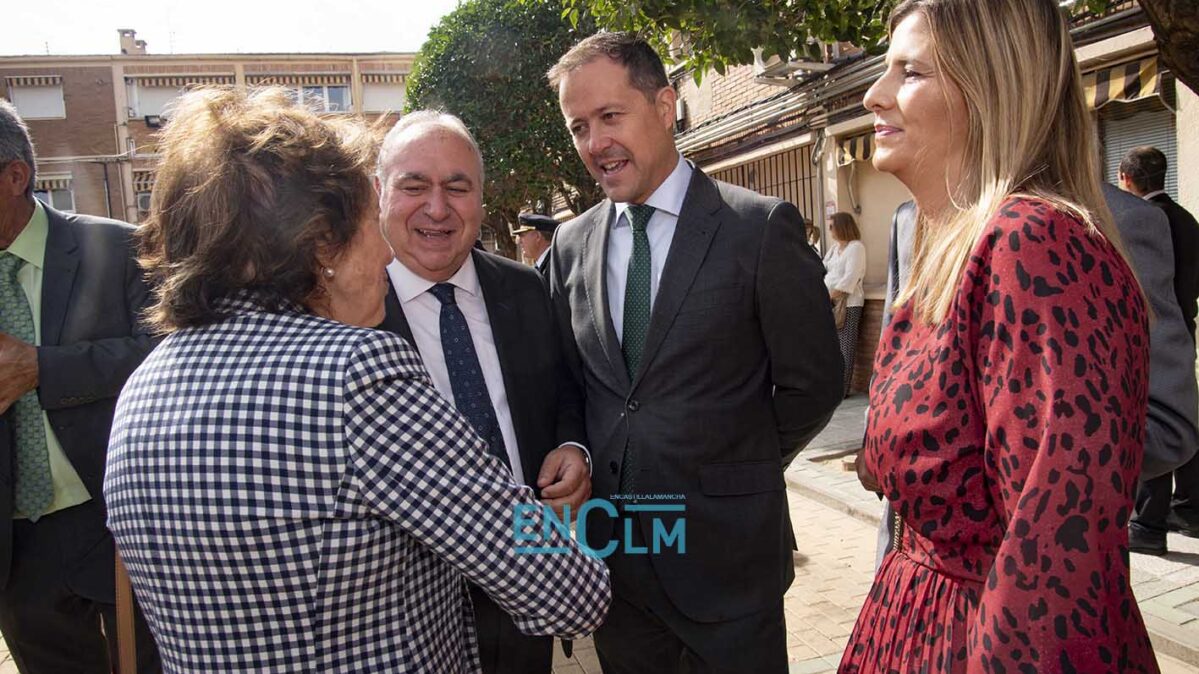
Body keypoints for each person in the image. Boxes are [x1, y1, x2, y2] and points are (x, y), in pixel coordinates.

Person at [103, 87, 610, 673]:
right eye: (372, 219)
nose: (387, 254)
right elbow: (570, 592)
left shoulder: (143, 385)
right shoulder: (355, 374)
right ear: (323, 242)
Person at [841, 1, 1158, 672]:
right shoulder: (947, 244)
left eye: (910, 71)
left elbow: (1057, 558)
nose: (873, 94)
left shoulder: (1033, 246)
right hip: (919, 622)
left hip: (988, 639)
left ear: (988, 91)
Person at [548, 32, 843, 673]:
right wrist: (575, 447)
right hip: (618, 572)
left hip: (731, 566)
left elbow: (814, 385)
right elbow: (570, 382)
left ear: (664, 105)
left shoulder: (758, 228)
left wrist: (733, 463)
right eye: (579, 126)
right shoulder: (570, 247)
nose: (595, 143)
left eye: (610, 117)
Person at [375, 110, 591, 674]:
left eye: (457, 187)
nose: (437, 209)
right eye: (414, 186)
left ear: (481, 198)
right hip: (408, 610)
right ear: (380, 193)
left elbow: (567, 390)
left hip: (525, 575)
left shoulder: (524, 288)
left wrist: (574, 447)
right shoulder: (348, 315)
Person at [0, 99, 159, 673]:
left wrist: (44, 367)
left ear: (16, 176)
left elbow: (167, 359)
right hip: (17, 551)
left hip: (115, 522)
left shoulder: (119, 250)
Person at [1122, 146, 1199, 551]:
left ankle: (1149, 525)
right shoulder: (1186, 218)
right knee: (1182, 417)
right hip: (1184, 328)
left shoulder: (1141, 220)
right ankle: (1189, 509)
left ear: (1127, 178)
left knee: (1153, 420)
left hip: (1146, 336)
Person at [823, 212, 867, 397]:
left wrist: (829, 296)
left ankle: (842, 390)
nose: (830, 230)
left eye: (832, 226)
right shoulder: (834, 249)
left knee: (845, 347)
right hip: (830, 302)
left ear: (842, 226)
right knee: (831, 347)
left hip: (847, 304)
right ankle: (831, 386)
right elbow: (822, 268)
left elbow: (850, 278)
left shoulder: (856, 248)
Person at [512, 212, 560, 276]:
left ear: (537, 236)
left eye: (523, 235)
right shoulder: (543, 266)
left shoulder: (556, 265)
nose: (519, 241)